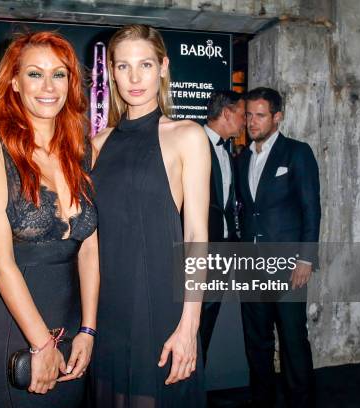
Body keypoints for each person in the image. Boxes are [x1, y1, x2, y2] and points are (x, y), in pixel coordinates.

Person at [0, 32, 99, 407]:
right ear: (14, 81)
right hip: (13, 328)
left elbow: (89, 248)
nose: (48, 87)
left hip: (73, 320)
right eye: (34, 74)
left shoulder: (81, 151)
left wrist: (88, 329)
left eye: (59, 74)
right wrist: (42, 343)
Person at [91, 24, 209, 407]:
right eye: (123, 67)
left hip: (161, 303)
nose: (134, 77)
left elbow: (196, 236)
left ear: (163, 66)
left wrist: (190, 324)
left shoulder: (186, 135)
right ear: (111, 71)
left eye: (144, 64)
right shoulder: (95, 145)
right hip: (106, 305)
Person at [235, 87, 321, 407]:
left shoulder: (297, 153)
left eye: (259, 115)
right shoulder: (244, 157)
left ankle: (301, 402)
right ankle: (263, 401)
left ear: (277, 117)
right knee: (256, 341)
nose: (251, 122)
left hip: (288, 266)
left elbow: (312, 208)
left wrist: (306, 259)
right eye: (248, 115)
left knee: (292, 341)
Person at [199, 90, 245, 364]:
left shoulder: (228, 155)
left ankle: (197, 382)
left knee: (208, 320)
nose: (244, 122)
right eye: (241, 115)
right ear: (227, 113)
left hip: (223, 252)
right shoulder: (193, 144)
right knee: (192, 322)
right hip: (199, 251)